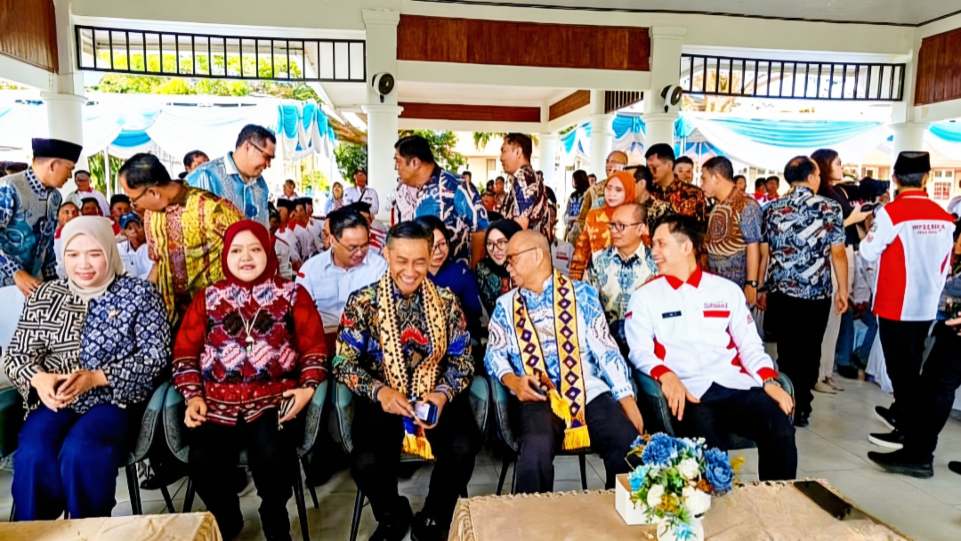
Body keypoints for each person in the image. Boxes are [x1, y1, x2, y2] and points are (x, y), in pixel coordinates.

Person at [3, 216, 170, 520]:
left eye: (94, 253)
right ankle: (33, 531)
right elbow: (16, 355)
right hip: (56, 400)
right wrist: (39, 379)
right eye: (73, 254)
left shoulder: (140, 295)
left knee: (81, 451)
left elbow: (156, 356)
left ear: (110, 251)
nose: (83, 264)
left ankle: (87, 529)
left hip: (115, 402)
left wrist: (95, 378)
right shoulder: (46, 296)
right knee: (33, 454)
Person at [174, 220, 327, 540]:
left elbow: (314, 348)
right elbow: (185, 352)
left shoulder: (292, 294)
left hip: (275, 398)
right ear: (225, 256)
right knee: (202, 460)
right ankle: (227, 517)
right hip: (216, 402)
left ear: (269, 253)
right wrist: (193, 396)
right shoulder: (208, 297)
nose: (246, 257)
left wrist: (307, 388)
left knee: (273, 454)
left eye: (255, 249)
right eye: (237, 250)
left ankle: (274, 516)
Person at [333, 221, 479, 541]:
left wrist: (442, 394)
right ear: (386, 255)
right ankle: (392, 514)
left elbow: (464, 361)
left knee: (463, 447)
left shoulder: (446, 301)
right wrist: (379, 391)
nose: (411, 271)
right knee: (366, 461)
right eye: (402, 261)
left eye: (419, 261)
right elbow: (342, 363)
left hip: (435, 393)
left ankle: (434, 515)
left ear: (430, 257)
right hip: (384, 397)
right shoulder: (363, 302)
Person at [625, 215, 797, 481]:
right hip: (689, 392)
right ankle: (717, 505)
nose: (654, 251)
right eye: (653, 244)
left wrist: (768, 380)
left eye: (661, 244)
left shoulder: (726, 290)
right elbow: (639, 350)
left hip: (735, 385)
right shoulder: (645, 296)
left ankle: (778, 499)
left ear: (686, 247)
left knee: (779, 426)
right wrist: (665, 375)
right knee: (710, 454)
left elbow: (750, 345)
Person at [486, 230, 643, 493]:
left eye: (512, 258)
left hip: (588, 389)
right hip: (537, 393)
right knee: (535, 448)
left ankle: (620, 513)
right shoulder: (505, 305)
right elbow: (494, 353)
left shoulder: (582, 294)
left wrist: (626, 399)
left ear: (537, 256)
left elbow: (605, 349)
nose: (507, 266)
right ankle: (533, 518)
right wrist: (513, 381)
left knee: (626, 443)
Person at [858, 151, 955, 451]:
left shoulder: (892, 213)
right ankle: (905, 422)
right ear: (926, 177)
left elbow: (867, 251)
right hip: (927, 305)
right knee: (912, 369)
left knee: (901, 374)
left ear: (895, 178)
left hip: (895, 303)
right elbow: (946, 264)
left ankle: (909, 435)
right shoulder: (944, 216)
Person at [758, 156, 847, 427]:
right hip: (815, 293)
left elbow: (765, 252)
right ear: (810, 177)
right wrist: (843, 290)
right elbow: (838, 253)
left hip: (781, 291)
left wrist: (761, 286)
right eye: (818, 174)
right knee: (810, 350)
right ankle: (803, 406)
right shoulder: (829, 207)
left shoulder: (771, 208)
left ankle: (788, 401)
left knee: (786, 350)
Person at [119, 152, 243, 323]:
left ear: (154, 192)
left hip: (215, 319)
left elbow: (246, 260)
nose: (134, 206)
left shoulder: (214, 209)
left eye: (134, 200)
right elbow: (158, 263)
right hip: (172, 321)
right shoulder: (150, 215)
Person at [811, 149, 871, 394]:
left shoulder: (837, 192)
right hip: (831, 255)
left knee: (837, 315)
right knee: (827, 318)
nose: (841, 166)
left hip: (845, 251)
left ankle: (826, 372)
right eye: (837, 163)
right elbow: (822, 232)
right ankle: (817, 374)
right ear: (825, 166)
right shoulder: (822, 195)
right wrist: (852, 219)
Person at [391, 135, 489, 266]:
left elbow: (481, 230)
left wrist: (472, 270)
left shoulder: (455, 186)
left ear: (415, 162)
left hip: (454, 274)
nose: (396, 167)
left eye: (398, 161)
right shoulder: (406, 190)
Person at [1, 138, 82, 296]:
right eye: (69, 169)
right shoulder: (8, 188)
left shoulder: (55, 197)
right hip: (4, 288)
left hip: (35, 286)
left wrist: (52, 281)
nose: (70, 175)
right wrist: (15, 272)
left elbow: (47, 244)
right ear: (53, 165)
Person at [297, 207, 387, 344]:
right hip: (320, 341)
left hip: (366, 342)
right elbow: (299, 315)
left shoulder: (378, 267)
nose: (360, 253)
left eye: (364, 246)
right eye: (352, 247)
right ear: (333, 241)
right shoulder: (311, 270)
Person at [585, 203, 656, 356]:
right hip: (605, 349)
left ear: (640, 229)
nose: (614, 231)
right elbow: (587, 305)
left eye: (621, 226)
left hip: (647, 349)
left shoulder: (656, 263)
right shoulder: (598, 260)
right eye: (612, 225)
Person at [700, 156, 763, 304]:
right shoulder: (719, 205)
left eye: (704, 179)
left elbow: (753, 245)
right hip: (716, 285)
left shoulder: (746, 205)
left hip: (737, 288)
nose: (701, 185)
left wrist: (751, 283)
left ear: (716, 177)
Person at [188, 124, 274, 227]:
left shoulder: (260, 184)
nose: (269, 164)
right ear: (248, 147)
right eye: (266, 157)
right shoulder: (204, 177)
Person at [416, 215, 485, 341]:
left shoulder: (461, 273)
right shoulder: (411, 276)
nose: (438, 251)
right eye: (430, 246)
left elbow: (475, 315)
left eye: (442, 243)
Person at [569, 171, 636, 280]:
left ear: (628, 191)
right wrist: (575, 281)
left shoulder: (636, 218)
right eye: (608, 188)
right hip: (597, 280)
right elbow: (581, 253)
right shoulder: (594, 217)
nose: (611, 193)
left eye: (618, 190)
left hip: (629, 280)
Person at [500, 133, 552, 242]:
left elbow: (520, 225)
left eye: (504, 151)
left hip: (525, 249)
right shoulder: (529, 177)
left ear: (518, 152)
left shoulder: (523, 178)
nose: (501, 158)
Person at [646, 144, 708, 225]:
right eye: (648, 168)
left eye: (654, 167)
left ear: (669, 165)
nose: (651, 171)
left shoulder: (694, 193)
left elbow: (701, 227)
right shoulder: (648, 192)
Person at [475, 219, 523, 316]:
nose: (495, 250)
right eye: (489, 243)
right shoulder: (483, 269)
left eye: (501, 242)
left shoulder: (528, 267)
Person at [574, 150, 629, 232]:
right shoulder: (594, 190)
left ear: (625, 167)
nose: (610, 165)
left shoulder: (630, 190)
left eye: (615, 162)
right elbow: (581, 219)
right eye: (608, 161)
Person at [632, 164, 671, 233]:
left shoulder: (662, 209)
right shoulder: (623, 206)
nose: (624, 186)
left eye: (629, 182)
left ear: (642, 183)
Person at [117, 212, 154, 279]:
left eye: (138, 226)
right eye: (130, 228)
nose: (134, 231)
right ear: (123, 232)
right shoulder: (120, 248)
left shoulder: (152, 246)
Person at [563, 169, 590, 245]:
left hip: (583, 231)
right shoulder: (572, 195)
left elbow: (586, 215)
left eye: (573, 179)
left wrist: (571, 218)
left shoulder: (588, 194)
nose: (572, 182)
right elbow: (567, 212)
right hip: (572, 231)